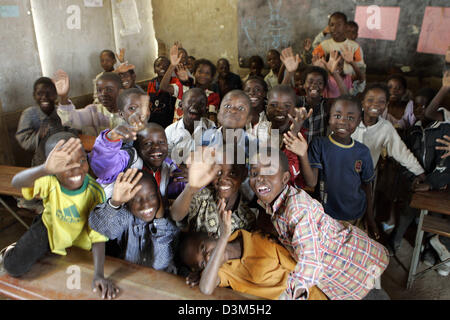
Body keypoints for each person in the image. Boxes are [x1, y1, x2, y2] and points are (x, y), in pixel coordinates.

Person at [248, 148, 389, 300]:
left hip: (352, 262)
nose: (260, 178)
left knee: (372, 294)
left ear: (285, 178)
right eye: (254, 174)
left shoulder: (296, 208)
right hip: (339, 265)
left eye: (269, 171)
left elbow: (310, 258)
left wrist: (293, 293)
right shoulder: (274, 202)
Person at [0, 132, 118, 299]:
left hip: (79, 235)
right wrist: (44, 169)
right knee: (13, 267)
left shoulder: (95, 192)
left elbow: (98, 234)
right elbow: (16, 183)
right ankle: (12, 249)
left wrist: (99, 274)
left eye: (82, 160)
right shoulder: (50, 180)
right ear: (52, 167)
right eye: (65, 164)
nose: (76, 168)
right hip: (50, 228)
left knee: (112, 254)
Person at [179, 198, 328, 300]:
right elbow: (206, 288)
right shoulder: (226, 273)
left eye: (203, 248)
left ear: (211, 235)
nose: (208, 257)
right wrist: (224, 236)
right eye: (203, 264)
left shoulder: (252, 233)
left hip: (320, 282)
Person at [306, 96, 378, 237]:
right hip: (326, 214)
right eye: (337, 116)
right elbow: (312, 182)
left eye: (350, 118)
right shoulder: (319, 145)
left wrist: (370, 218)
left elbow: (367, 186)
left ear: (358, 121)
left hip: (355, 215)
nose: (343, 122)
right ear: (329, 118)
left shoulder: (362, 152)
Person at [89, 168, 179, 272]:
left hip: (159, 282)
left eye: (152, 196)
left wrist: (160, 221)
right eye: (136, 199)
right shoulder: (127, 214)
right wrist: (115, 203)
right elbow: (102, 228)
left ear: (159, 196)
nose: (145, 204)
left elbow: (159, 264)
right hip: (128, 276)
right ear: (127, 201)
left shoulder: (168, 222)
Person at [170, 147, 256, 238]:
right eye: (218, 173)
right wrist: (190, 188)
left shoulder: (248, 217)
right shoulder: (203, 196)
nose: (223, 179)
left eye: (232, 173)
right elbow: (176, 215)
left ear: (244, 174)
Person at [16, 77, 71, 166]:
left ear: (56, 95)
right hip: (41, 163)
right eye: (39, 94)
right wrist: (38, 136)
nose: (44, 97)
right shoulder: (29, 114)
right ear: (34, 95)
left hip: (65, 160)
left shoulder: (62, 112)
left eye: (49, 94)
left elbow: (73, 133)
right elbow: (23, 140)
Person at [160, 43, 220, 123]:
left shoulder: (212, 96)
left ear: (211, 78)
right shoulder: (183, 87)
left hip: (198, 132)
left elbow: (212, 119)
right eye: (200, 71)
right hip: (178, 133)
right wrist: (172, 65)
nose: (203, 75)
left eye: (207, 73)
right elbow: (163, 87)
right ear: (194, 73)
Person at [56, 70, 126, 136]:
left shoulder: (130, 112)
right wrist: (64, 97)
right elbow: (70, 121)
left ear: (121, 92)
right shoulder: (93, 111)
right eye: (99, 90)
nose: (103, 94)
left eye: (109, 89)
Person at [165, 88, 216, 164]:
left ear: (206, 109)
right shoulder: (170, 131)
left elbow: (214, 157)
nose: (195, 106)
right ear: (181, 105)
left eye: (201, 104)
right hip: (178, 174)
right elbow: (165, 158)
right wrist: (177, 167)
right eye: (190, 102)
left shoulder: (211, 127)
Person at [312, 12, 366, 78]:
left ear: (345, 27)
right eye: (332, 25)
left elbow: (361, 72)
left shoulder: (355, 47)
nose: (334, 28)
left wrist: (350, 82)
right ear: (328, 27)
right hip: (329, 85)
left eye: (339, 25)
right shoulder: (323, 46)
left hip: (349, 86)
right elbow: (315, 65)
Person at [147, 56, 177, 128]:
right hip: (153, 119)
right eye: (158, 66)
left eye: (166, 66)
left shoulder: (175, 82)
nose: (162, 68)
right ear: (154, 70)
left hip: (169, 120)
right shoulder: (152, 82)